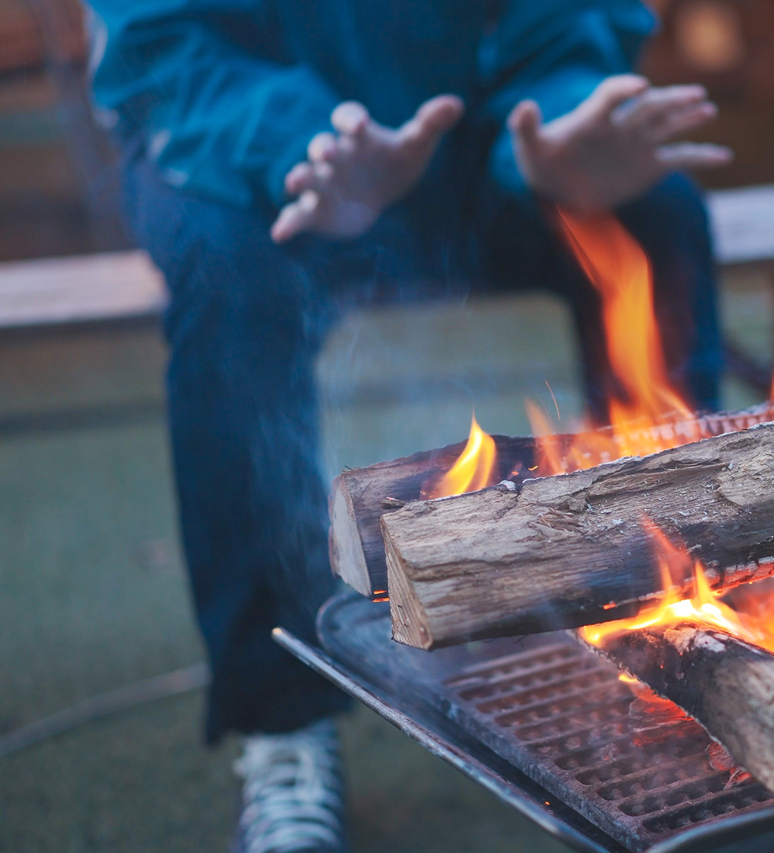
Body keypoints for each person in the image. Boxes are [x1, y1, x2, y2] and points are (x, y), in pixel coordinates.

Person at [87, 1, 730, 850]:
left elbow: (564, 20)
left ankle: (676, 628)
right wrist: (302, 142)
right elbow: (164, 44)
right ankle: (280, 718)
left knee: (660, 217)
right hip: (244, 145)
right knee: (228, 281)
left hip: (473, 143)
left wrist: (551, 123)